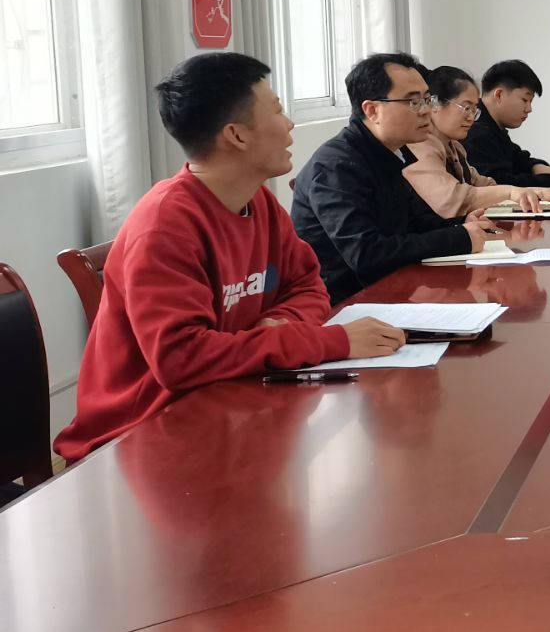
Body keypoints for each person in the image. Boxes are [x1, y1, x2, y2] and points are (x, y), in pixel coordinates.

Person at [54, 53, 404, 463]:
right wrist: (332, 341)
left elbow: (307, 283)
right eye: (277, 110)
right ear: (236, 135)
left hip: (234, 397)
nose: (290, 124)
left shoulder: (259, 202)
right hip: (144, 432)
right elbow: (181, 358)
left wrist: (283, 324)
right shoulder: (165, 226)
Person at [292, 52, 517, 301]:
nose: (427, 111)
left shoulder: (389, 153)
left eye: (427, 99)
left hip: (392, 292)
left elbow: (417, 222)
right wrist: (460, 237)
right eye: (414, 102)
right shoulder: (337, 166)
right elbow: (366, 254)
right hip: (345, 305)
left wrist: (464, 222)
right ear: (372, 110)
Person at [405, 65, 550, 219]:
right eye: (466, 108)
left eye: (474, 110)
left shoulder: (454, 146)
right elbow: (451, 199)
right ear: (434, 103)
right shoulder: (420, 147)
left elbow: (483, 184)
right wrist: (512, 192)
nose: (471, 118)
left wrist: (536, 192)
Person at [465, 59, 550, 192]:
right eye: (525, 100)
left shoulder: (491, 126)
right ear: (499, 95)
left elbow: (518, 158)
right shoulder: (476, 131)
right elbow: (500, 184)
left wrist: (535, 165)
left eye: (530, 101)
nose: (529, 109)